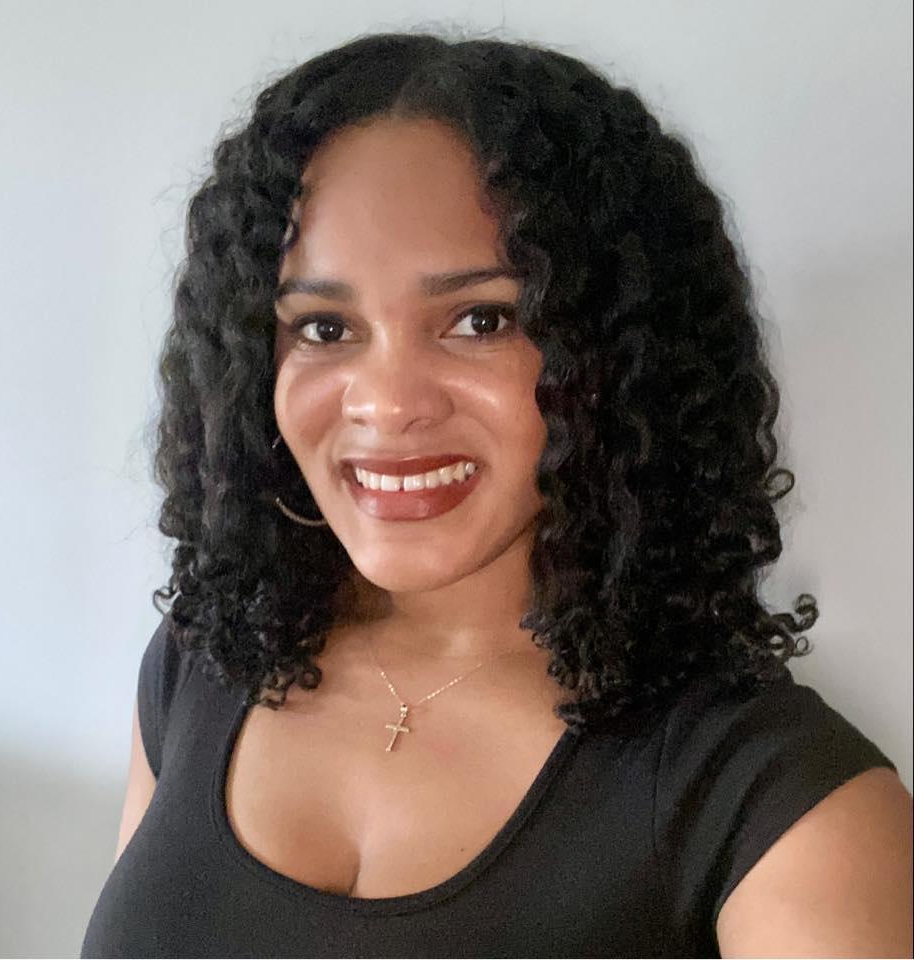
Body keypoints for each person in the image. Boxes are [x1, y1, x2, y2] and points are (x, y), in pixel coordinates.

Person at [81, 30, 912, 958]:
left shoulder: (780, 802)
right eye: (323, 327)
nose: (386, 403)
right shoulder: (200, 660)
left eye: (481, 319)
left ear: (617, 357)